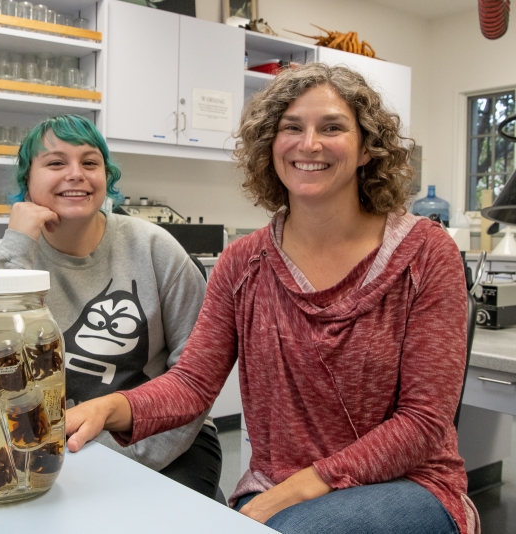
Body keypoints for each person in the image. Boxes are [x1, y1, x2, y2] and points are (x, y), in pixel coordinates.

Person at [66, 64, 480, 534]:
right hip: (277, 489)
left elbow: (424, 422)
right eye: (291, 128)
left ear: (367, 148)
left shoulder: (425, 253)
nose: (309, 144)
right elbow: (194, 384)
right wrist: (107, 408)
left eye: (332, 127)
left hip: (407, 485)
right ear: (270, 146)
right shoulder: (243, 263)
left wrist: (300, 489)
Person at [0, 114, 222, 499]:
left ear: (107, 177)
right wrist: (17, 246)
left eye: (90, 163)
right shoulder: (4, 258)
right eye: (56, 163)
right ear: (27, 181)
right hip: (45, 447)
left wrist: (113, 454)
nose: (76, 174)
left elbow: (194, 379)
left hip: (163, 442)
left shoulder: (155, 249)